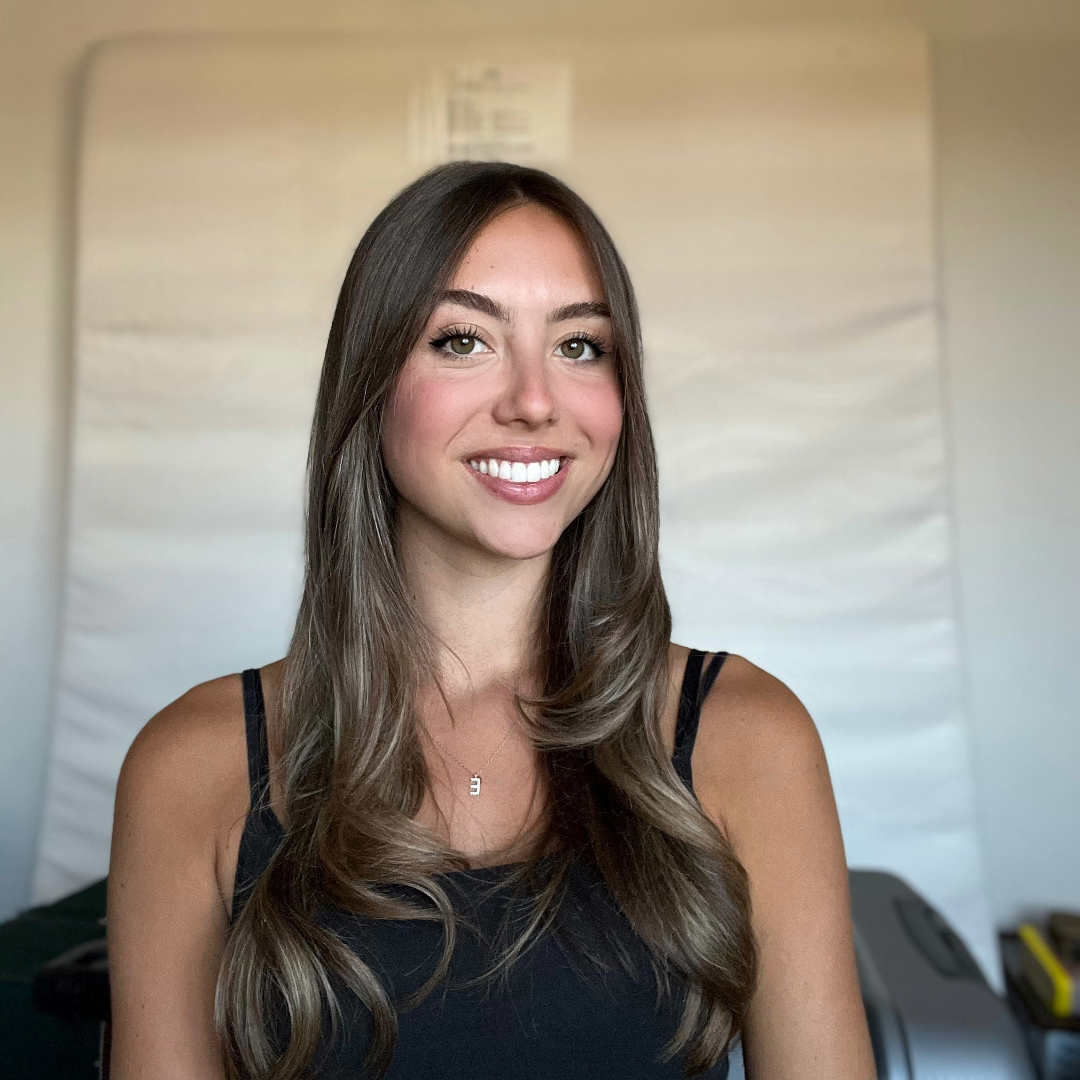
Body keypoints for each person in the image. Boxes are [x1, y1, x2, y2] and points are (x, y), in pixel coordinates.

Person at [106, 162, 874, 1080]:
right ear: (372, 382)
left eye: (580, 347)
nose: (535, 401)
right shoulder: (192, 767)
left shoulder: (748, 737)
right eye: (463, 339)